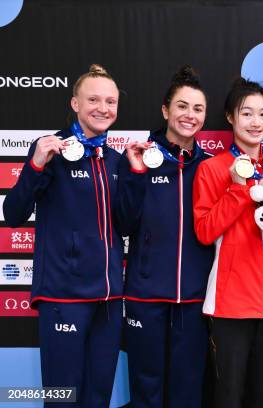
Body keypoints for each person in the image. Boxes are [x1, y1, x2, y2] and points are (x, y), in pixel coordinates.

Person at [3, 64, 123, 407]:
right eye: (94, 100)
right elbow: (12, 215)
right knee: (61, 398)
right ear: (75, 103)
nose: (103, 108)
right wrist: (36, 163)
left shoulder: (115, 160)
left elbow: (127, 223)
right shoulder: (50, 151)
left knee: (97, 397)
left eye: (111, 101)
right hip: (64, 296)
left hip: (109, 300)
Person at [192, 78, 263, 408]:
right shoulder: (211, 168)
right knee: (228, 395)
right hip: (230, 302)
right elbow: (205, 231)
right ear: (230, 117)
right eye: (247, 113)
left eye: (262, 114)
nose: (256, 122)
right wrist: (237, 189)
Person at [115, 65, 214, 408]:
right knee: (146, 387)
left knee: (188, 388)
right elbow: (124, 223)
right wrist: (137, 174)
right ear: (165, 110)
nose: (190, 115)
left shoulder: (210, 166)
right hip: (146, 293)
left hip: (194, 297)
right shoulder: (139, 157)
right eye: (182, 106)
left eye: (198, 108)